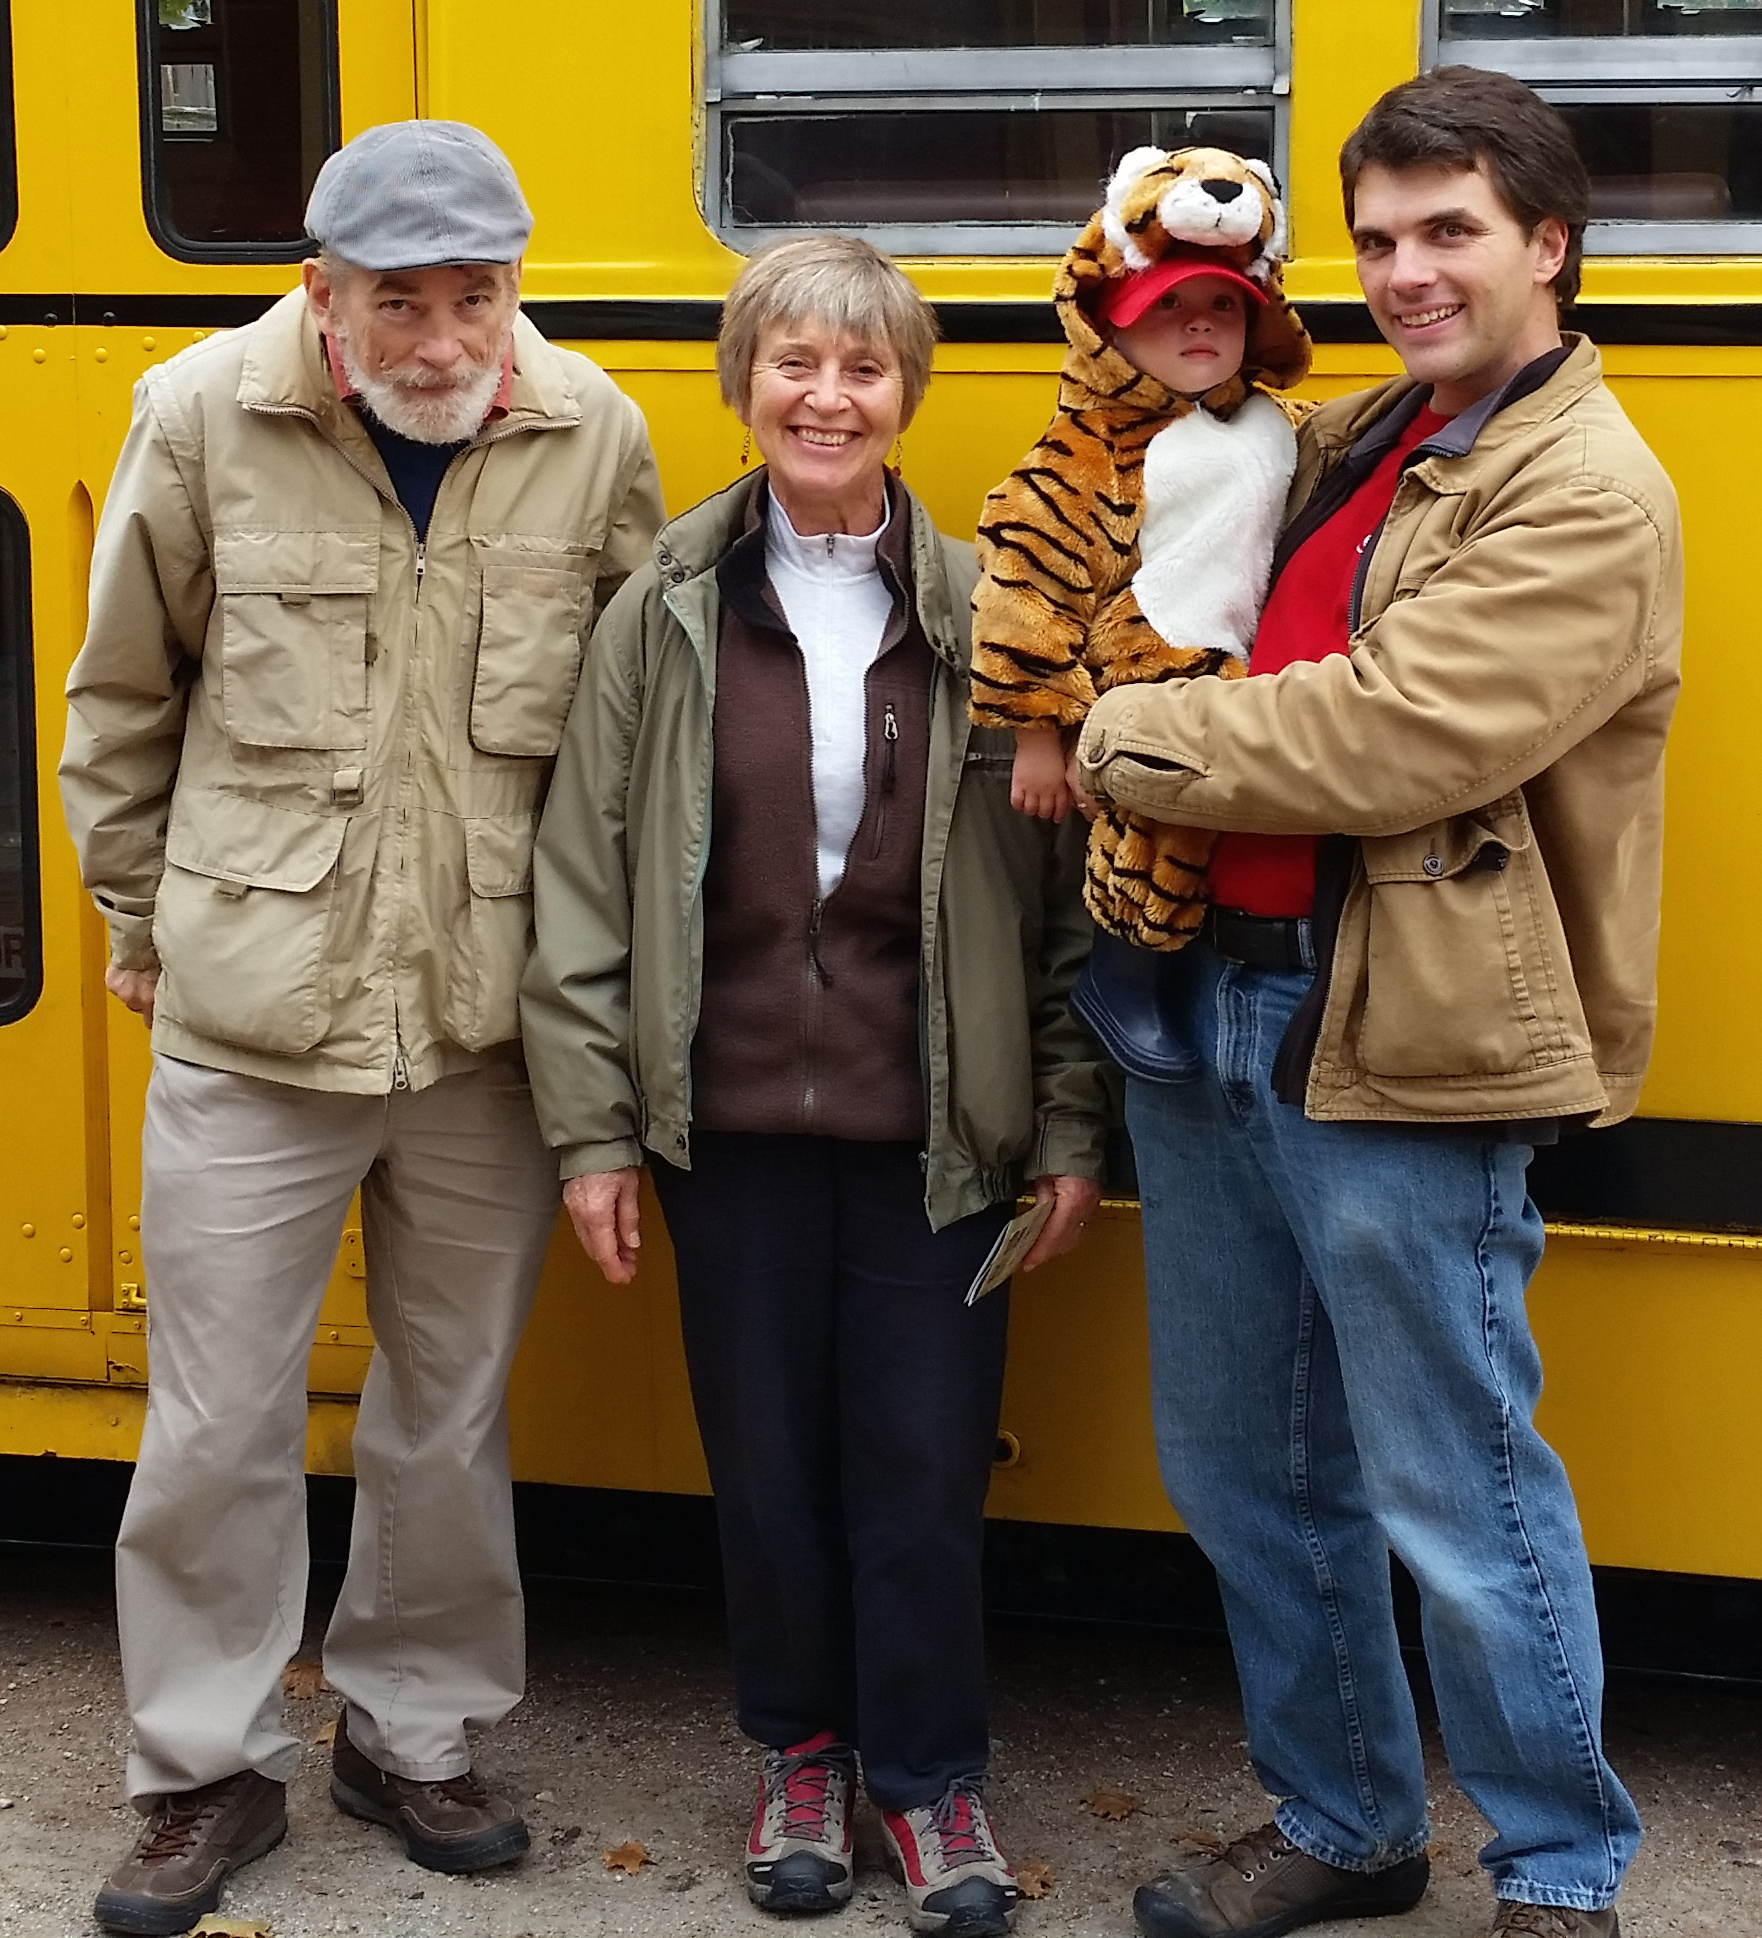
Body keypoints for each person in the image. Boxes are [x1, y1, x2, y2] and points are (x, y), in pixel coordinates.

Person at [1072, 69, 1681, 1938]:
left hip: (1402, 1031)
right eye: (1382, 238)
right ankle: (1341, 1822)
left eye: (1450, 234)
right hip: (1223, 1010)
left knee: (1455, 1479)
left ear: (1545, 245)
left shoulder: (1585, 485)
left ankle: (1558, 1867)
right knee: (1249, 1467)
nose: (1407, 271)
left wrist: (1114, 731)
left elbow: (1395, 733)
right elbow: (1148, 447)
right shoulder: (1361, 435)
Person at [59, 121, 663, 1935]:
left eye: (473, 293)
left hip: (487, 1025)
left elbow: (631, 737)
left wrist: (605, 1004)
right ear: (323, 291)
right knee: (216, 1419)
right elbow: (118, 703)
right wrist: (144, 921)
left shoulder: (590, 429)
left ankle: (413, 1729)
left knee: (447, 1410)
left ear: (511, 285)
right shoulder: (196, 414)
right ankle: (202, 1766)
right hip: (252, 1017)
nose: (438, 336)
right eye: (398, 299)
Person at [521, 233, 1111, 1938]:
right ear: (742, 384)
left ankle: (928, 1783)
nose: (825, 395)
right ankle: (798, 1750)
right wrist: (589, 1131)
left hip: (938, 1138)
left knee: (922, 1467)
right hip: (727, 1135)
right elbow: (584, 877)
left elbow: (1057, 906)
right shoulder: (666, 611)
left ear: (906, 394)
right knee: (765, 1465)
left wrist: (1067, 1125)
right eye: (793, 362)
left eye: (860, 367)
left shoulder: (992, 616)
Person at [969, 146, 1310, 957]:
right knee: (1157, 833)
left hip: (1255, 663)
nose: (1199, 323)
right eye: (1168, 307)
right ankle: (1132, 959)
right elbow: (1026, 591)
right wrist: (1037, 741)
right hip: (1148, 664)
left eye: (1223, 308)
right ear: (1108, 327)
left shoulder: (1279, 424)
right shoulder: (1084, 456)